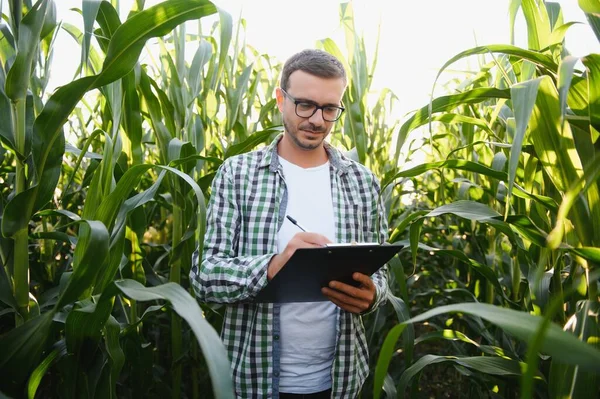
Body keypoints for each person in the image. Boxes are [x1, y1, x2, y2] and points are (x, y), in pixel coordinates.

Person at [190, 49, 389, 399]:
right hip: (254, 379)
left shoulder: (362, 182)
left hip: (339, 381)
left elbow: (381, 273)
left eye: (329, 109)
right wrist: (272, 266)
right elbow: (205, 277)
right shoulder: (238, 175)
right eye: (305, 105)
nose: (316, 119)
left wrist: (371, 295)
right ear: (281, 99)